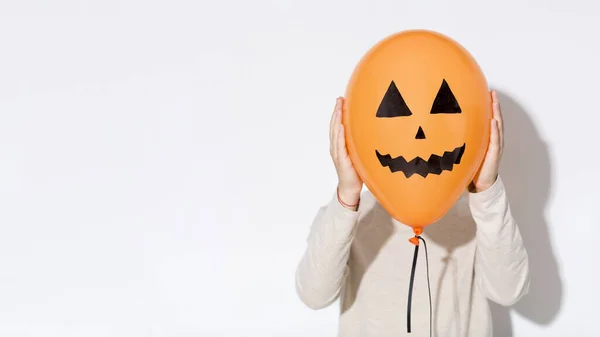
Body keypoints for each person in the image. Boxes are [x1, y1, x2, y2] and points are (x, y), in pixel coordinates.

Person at [295, 91, 530, 337]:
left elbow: (509, 291)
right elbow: (314, 295)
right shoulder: (345, 217)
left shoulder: (480, 215)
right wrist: (347, 195)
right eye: (395, 111)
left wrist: (486, 190)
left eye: (441, 109)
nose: (418, 133)